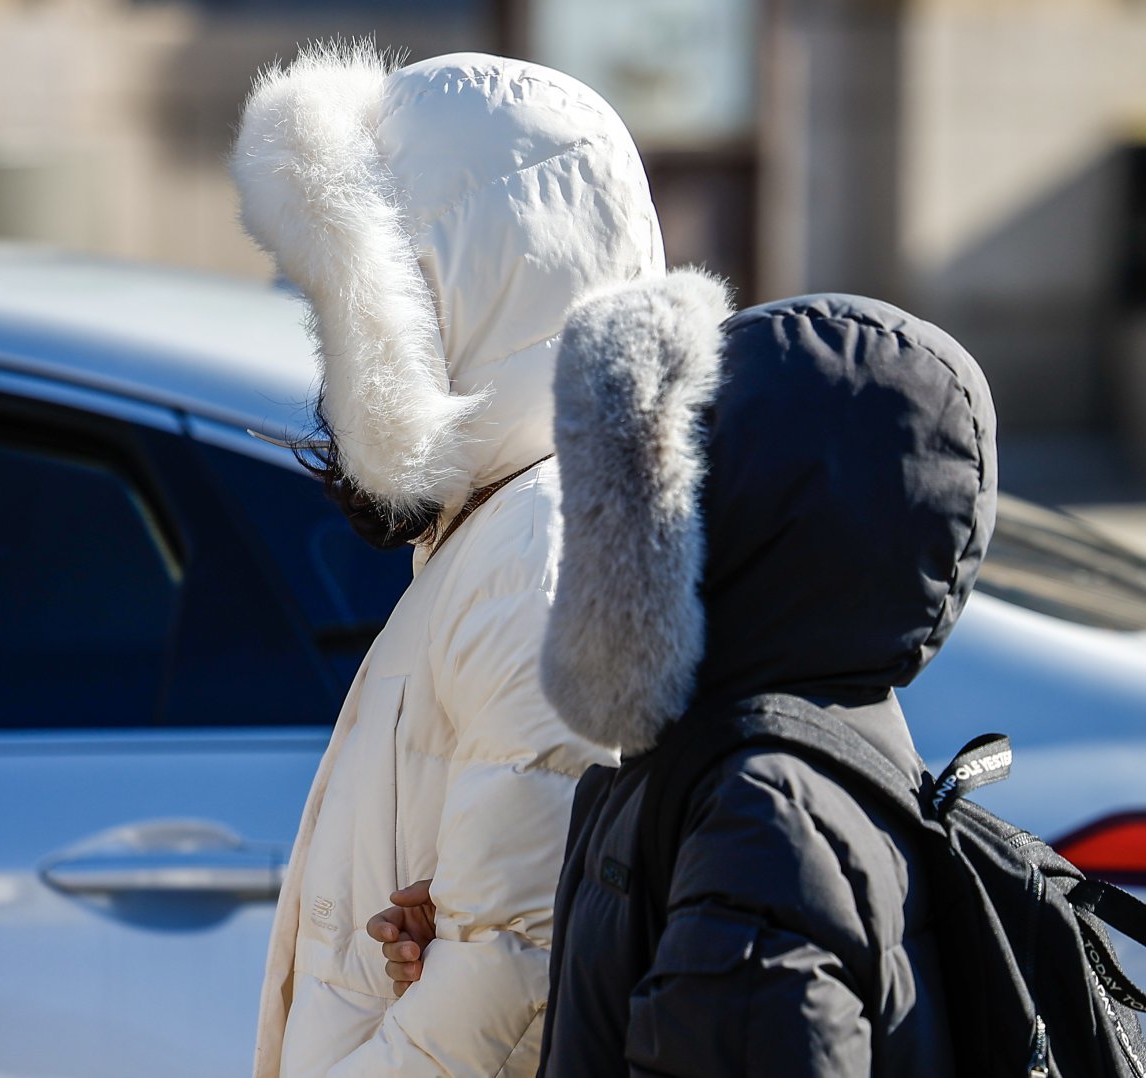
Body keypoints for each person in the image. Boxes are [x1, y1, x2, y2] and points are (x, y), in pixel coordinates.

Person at [375, 273, 997, 1074]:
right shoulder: (793, 750)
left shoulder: (764, 820)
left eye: (673, 463)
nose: (630, 507)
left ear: (741, 503)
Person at [229, 43, 665, 1076]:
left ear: (451, 296)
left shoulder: (540, 544)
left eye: (355, 307)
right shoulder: (506, 528)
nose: (336, 357)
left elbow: (517, 973)